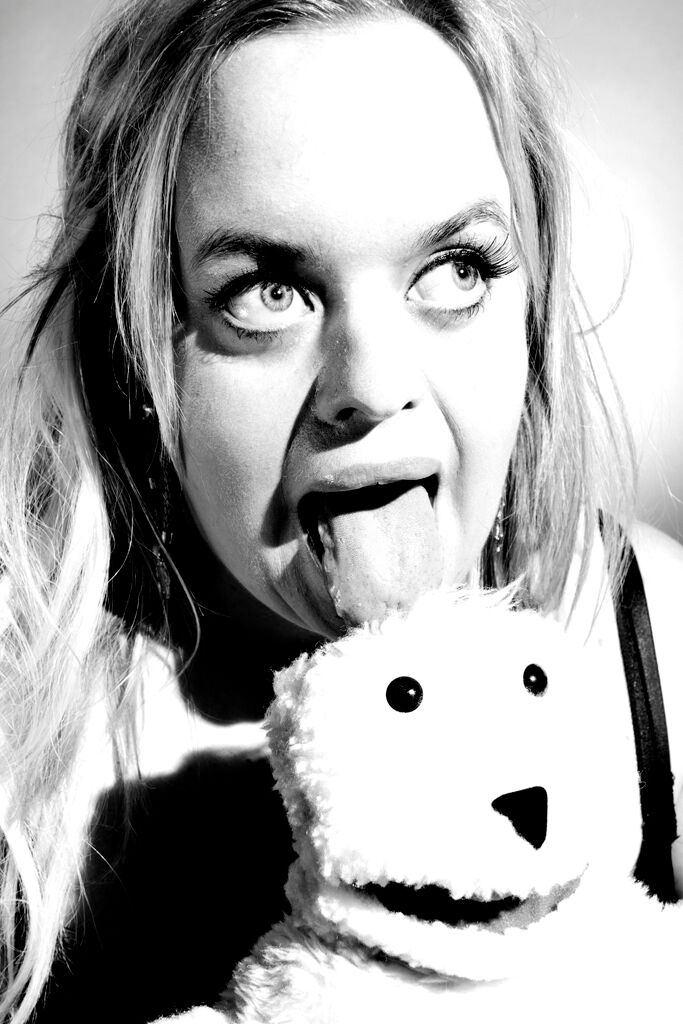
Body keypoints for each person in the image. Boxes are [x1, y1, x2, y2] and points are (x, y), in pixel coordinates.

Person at [1, 0, 682, 1020]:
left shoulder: (653, 643)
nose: (369, 385)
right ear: (135, 345)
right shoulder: (21, 732)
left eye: (455, 269)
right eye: (266, 291)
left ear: (530, 312)